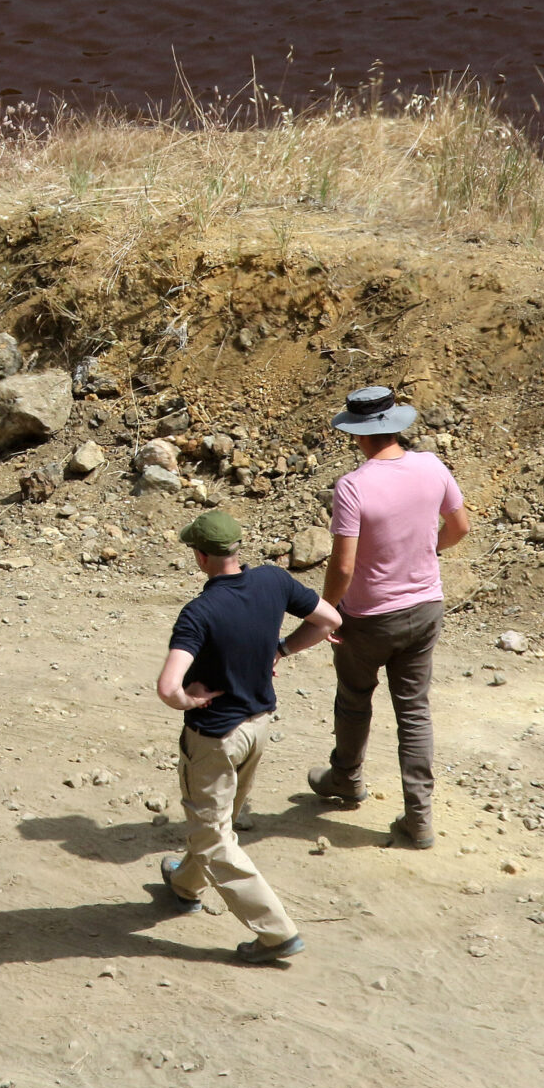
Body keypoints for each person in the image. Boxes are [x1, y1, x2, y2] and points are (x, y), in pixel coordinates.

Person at [155, 510, 341, 964]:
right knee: (221, 818)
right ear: (237, 549)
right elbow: (329, 620)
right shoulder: (274, 582)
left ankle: (276, 933)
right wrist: (282, 648)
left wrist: (189, 700)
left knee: (214, 834)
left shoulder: (200, 612)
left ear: (201, 557)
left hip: (215, 738)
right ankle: (185, 884)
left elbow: (168, 687)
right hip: (258, 727)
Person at [305, 386, 471, 849]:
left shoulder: (353, 486)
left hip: (370, 616)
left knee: (355, 698)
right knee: (414, 712)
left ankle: (346, 778)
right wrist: (427, 552)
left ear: (358, 435)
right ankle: (419, 820)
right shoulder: (433, 466)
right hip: (425, 608)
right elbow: (459, 527)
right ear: (396, 424)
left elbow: (342, 565)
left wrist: (328, 611)